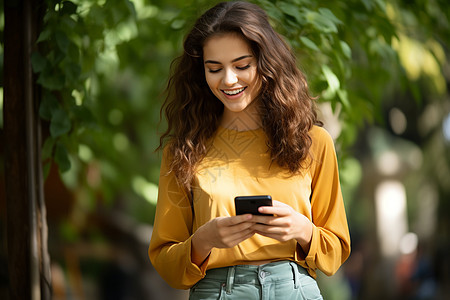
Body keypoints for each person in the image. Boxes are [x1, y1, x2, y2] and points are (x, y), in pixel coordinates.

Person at [149, 1, 351, 299]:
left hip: (294, 290)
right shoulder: (184, 151)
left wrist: (302, 230)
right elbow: (166, 262)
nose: (229, 79)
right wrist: (203, 240)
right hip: (216, 291)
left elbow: (336, 251)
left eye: (242, 65)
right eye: (214, 68)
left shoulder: (313, 142)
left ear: (266, 63)